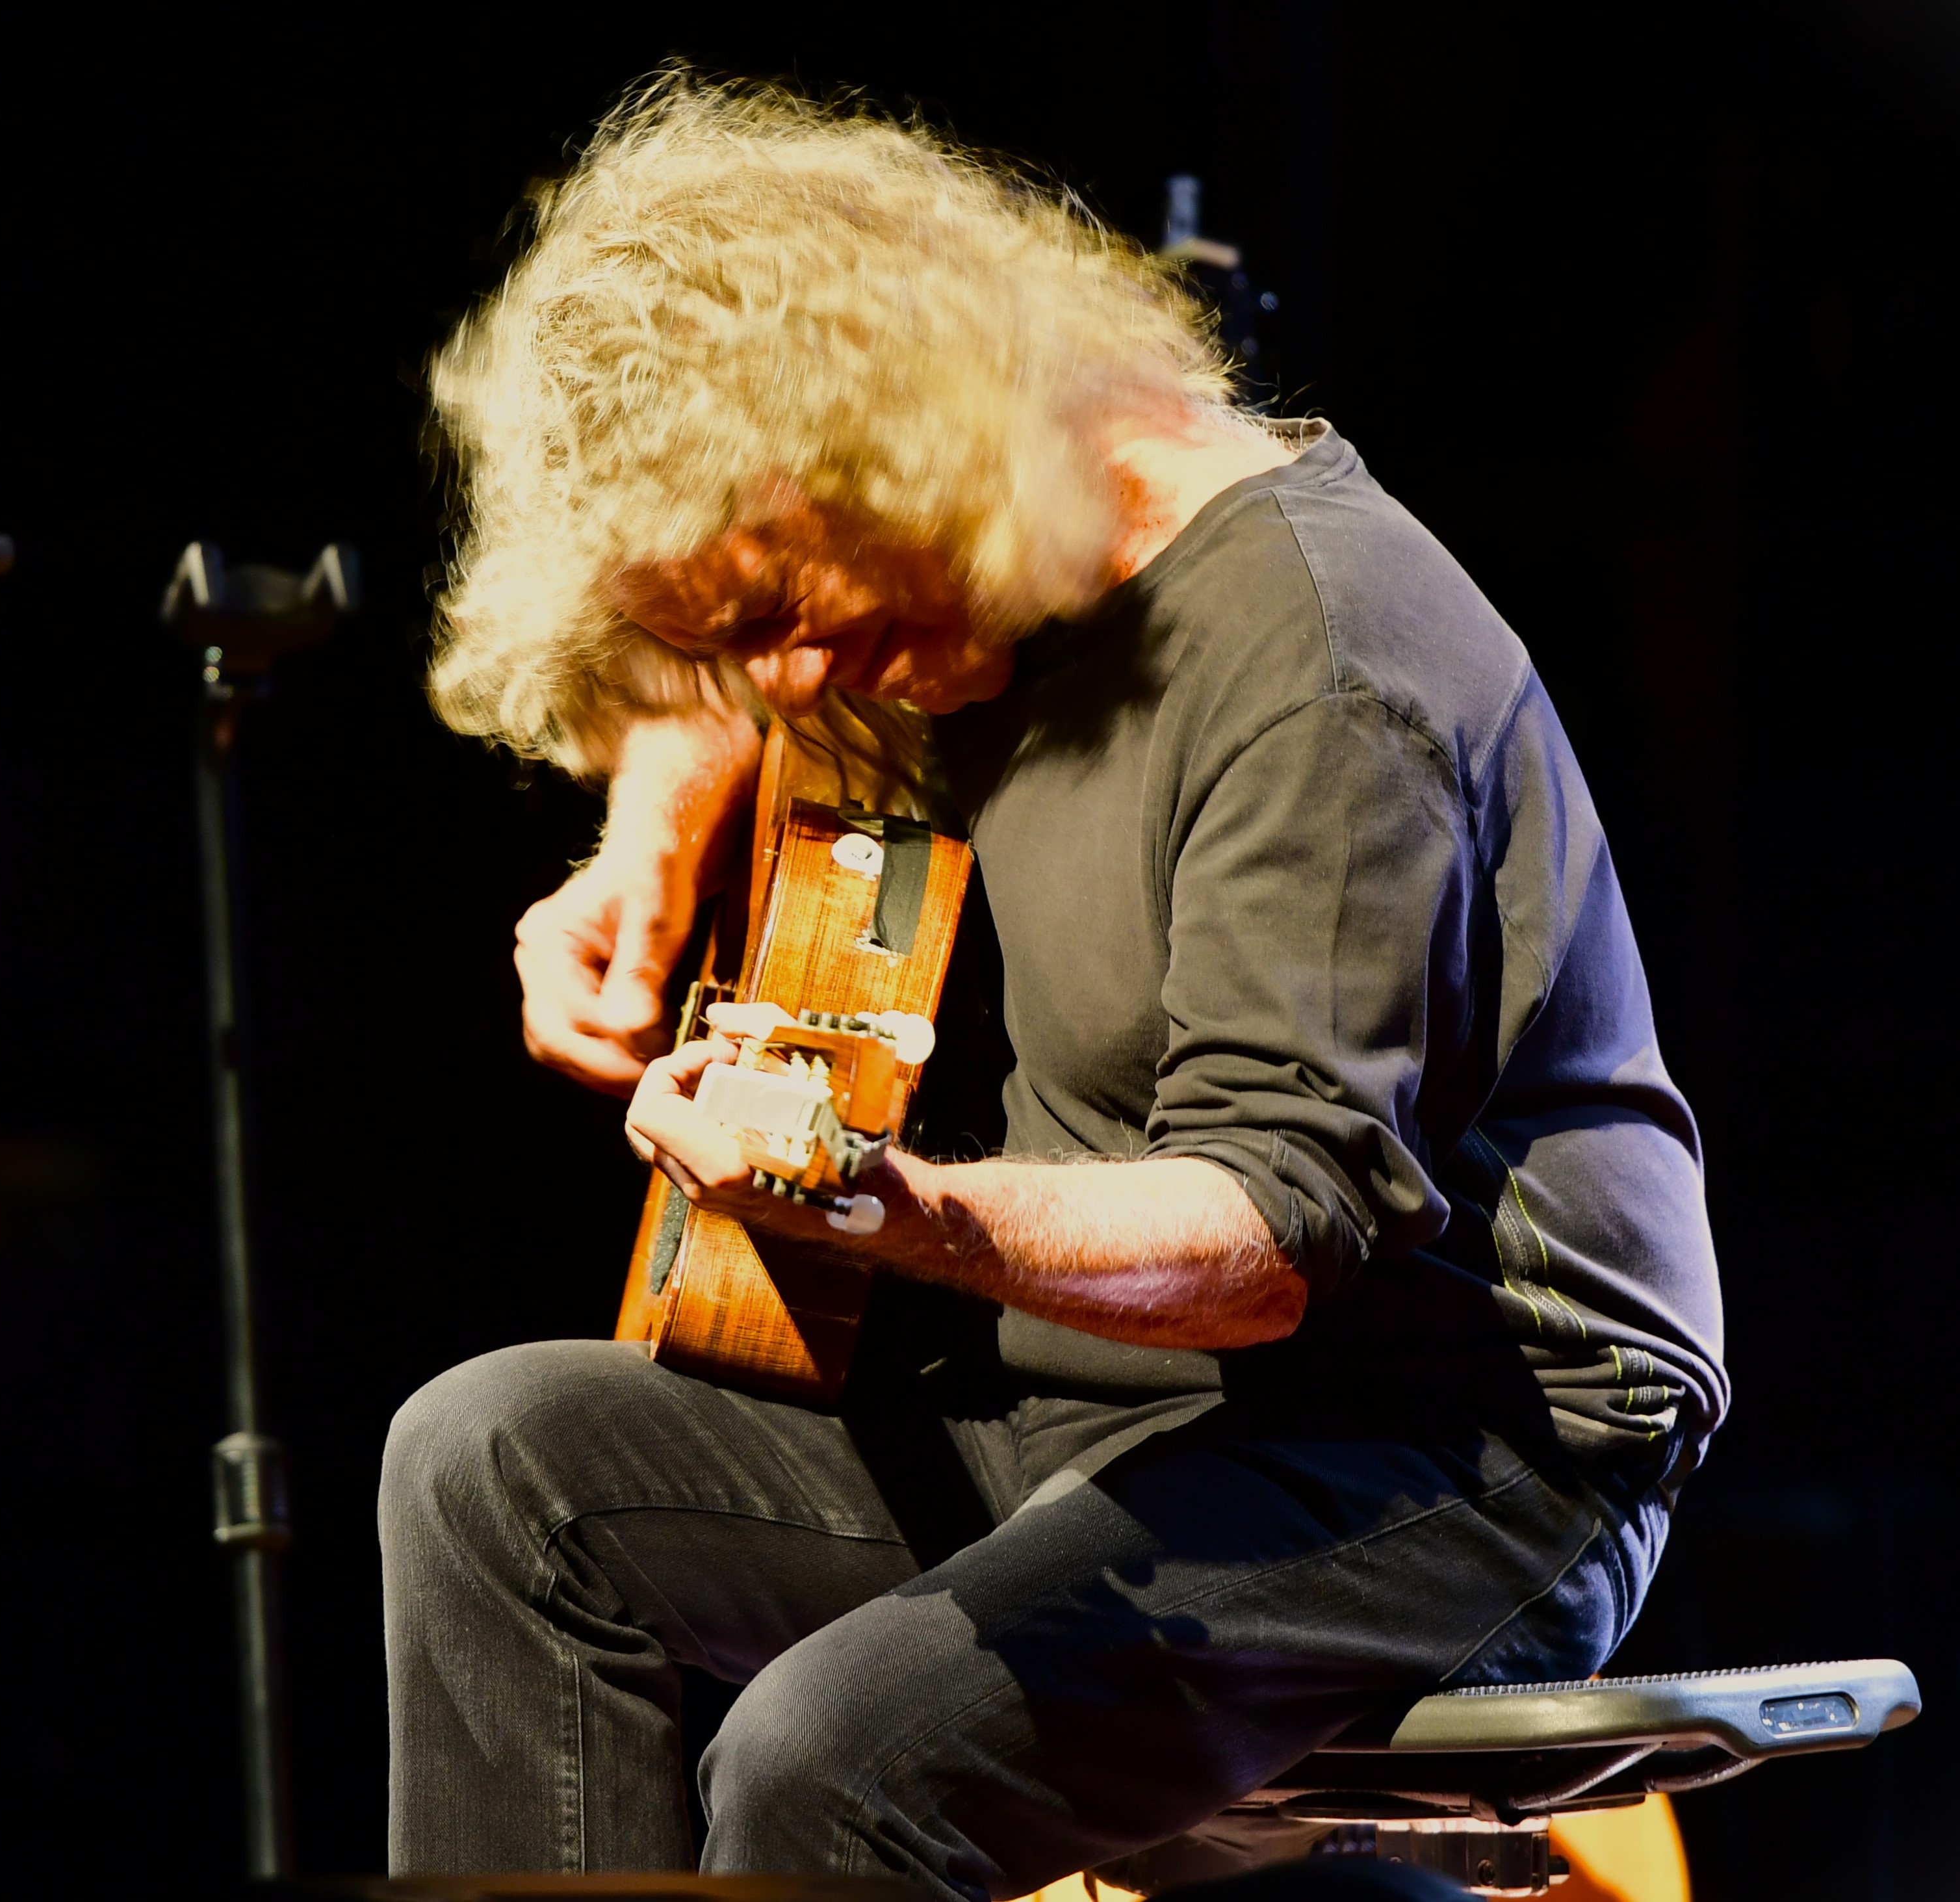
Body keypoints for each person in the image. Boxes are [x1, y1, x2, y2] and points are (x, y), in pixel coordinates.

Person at [379, 75, 1726, 1899]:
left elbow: (1261, 1242)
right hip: (1086, 1404)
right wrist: (639, 851)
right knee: (487, 1469)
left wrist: (885, 1203)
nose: (784, 683)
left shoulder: (1324, 660)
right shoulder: (955, 572)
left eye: (790, 611)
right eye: (731, 638)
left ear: (913, 442)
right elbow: (733, 670)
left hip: (1446, 1451)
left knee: (827, 1760)